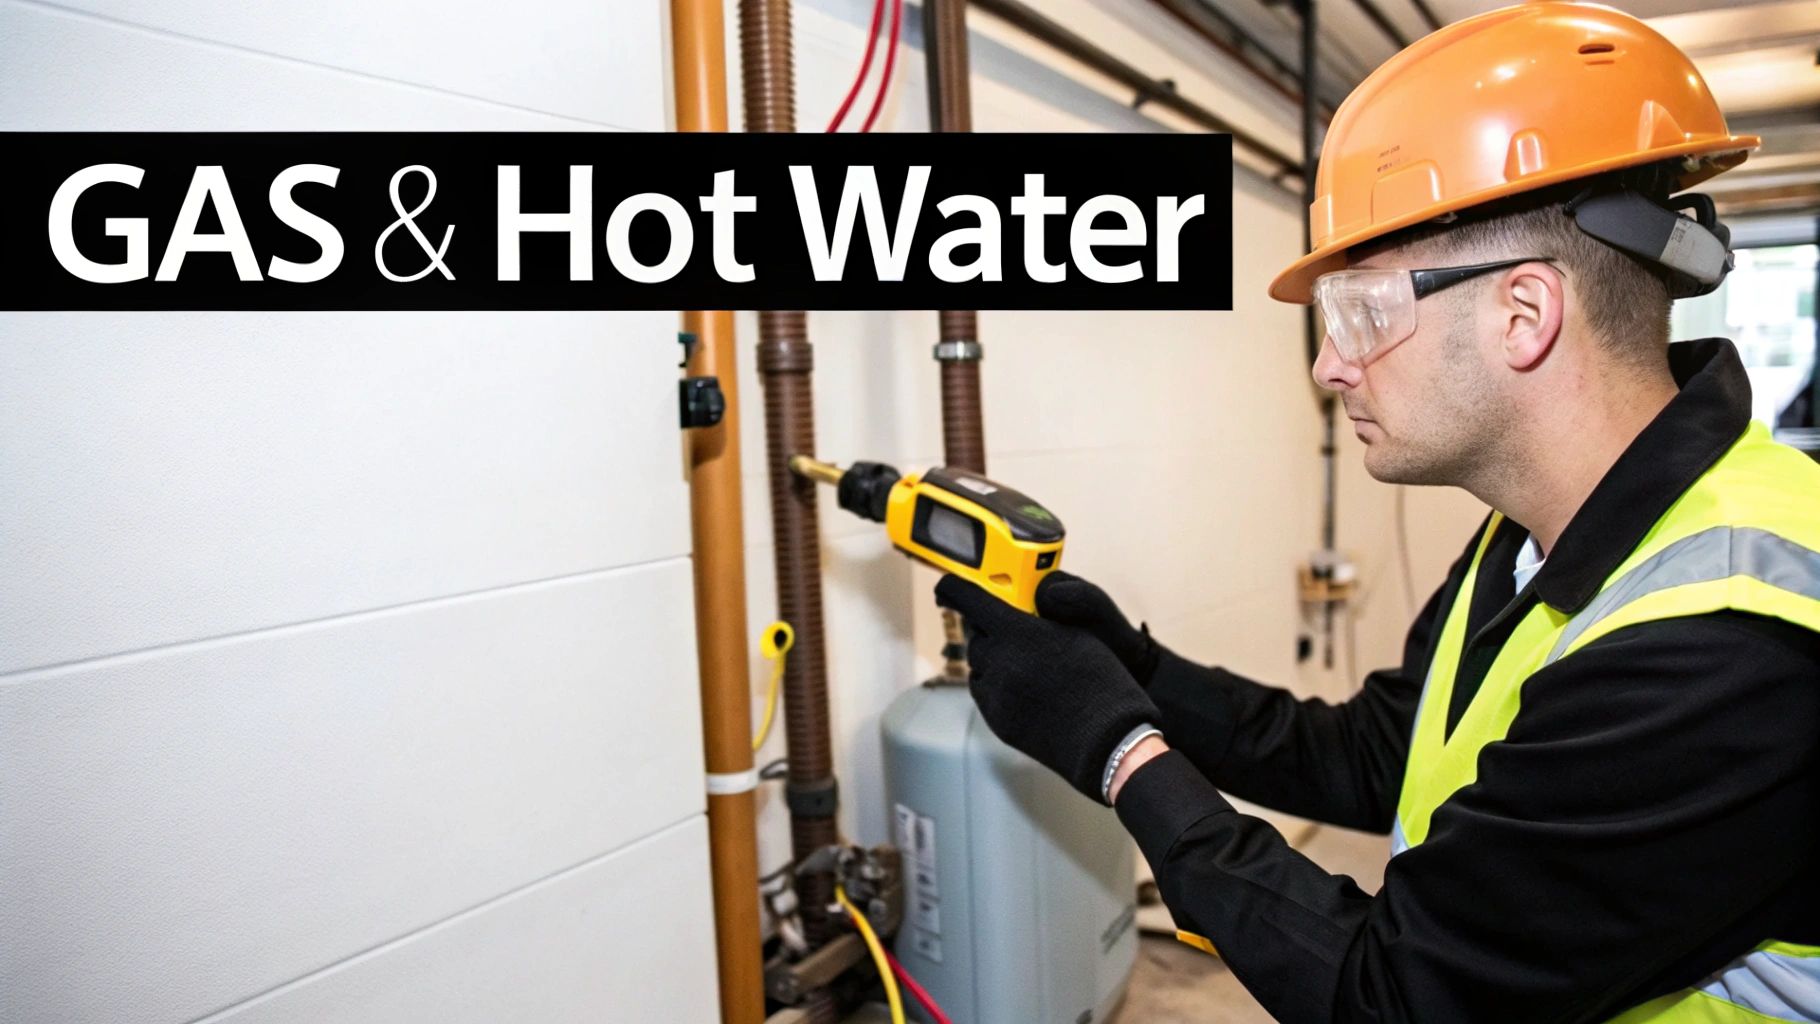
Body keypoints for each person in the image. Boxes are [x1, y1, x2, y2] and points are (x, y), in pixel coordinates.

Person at [931, 3, 1820, 1021]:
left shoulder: (1719, 641)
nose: (1326, 363)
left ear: (1520, 315)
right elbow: (1374, 753)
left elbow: (1396, 996)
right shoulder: (1540, 529)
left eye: (1360, 312)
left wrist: (1120, 753)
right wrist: (1139, 674)